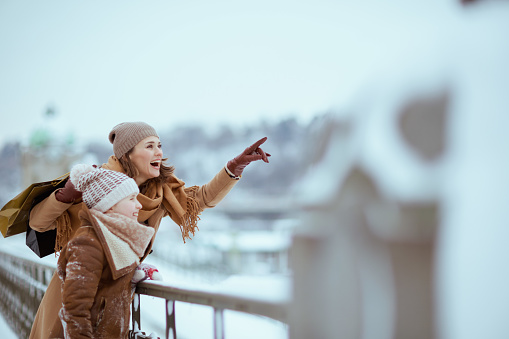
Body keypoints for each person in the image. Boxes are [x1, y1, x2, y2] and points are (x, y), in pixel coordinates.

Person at [28, 121, 270, 338]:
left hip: (114, 305)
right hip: (74, 300)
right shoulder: (99, 188)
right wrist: (65, 195)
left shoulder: (159, 192)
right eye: (150, 146)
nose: (159, 152)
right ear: (128, 154)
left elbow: (199, 198)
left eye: (159, 145)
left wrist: (232, 169)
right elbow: (38, 223)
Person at [49, 164, 154, 338]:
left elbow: (107, 286)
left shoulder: (112, 238)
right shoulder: (88, 243)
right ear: (110, 205)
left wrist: (135, 274)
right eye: (131, 199)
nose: (139, 205)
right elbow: (75, 310)